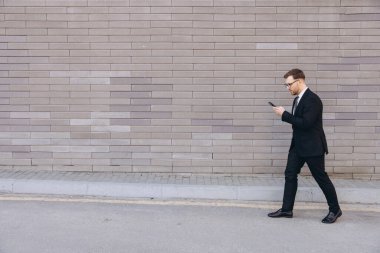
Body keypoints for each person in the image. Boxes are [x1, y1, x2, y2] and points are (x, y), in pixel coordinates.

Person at [268, 68, 342, 224]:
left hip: (313, 147)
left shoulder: (312, 99)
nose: (287, 88)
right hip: (298, 147)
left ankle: (335, 210)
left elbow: (306, 124)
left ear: (299, 81)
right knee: (290, 174)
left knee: (321, 178)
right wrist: (286, 115)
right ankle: (287, 209)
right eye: (286, 85)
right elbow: (299, 123)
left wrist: (284, 115)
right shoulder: (297, 99)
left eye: (289, 84)